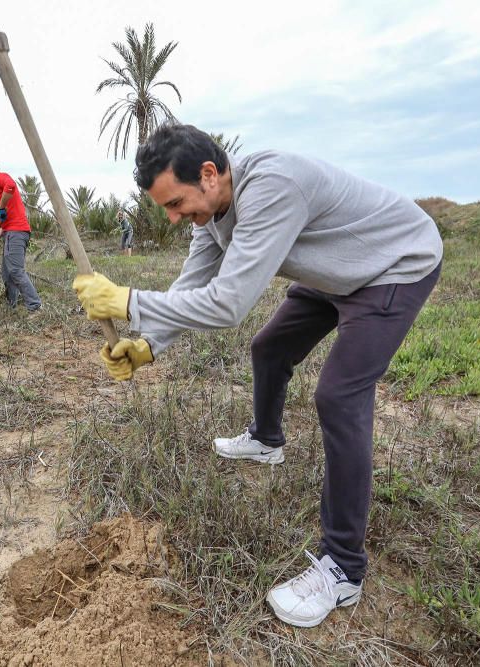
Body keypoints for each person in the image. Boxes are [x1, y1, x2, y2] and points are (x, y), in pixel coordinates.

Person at [72, 123, 442, 628]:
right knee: (270, 347)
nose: (177, 218)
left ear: (208, 174)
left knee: (338, 395)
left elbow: (228, 303)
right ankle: (267, 440)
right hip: (334, 273)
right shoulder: (212, 216)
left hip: (393, 265)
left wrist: (129, 300)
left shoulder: (271, 187)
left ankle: (343, 569)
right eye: (168, 210)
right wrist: (147, 346)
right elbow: (192, 287)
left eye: (176, 203)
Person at [0, 158, 42, 312]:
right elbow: (4, 223)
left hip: (16, 232)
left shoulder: (0, 178)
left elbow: (11, 185)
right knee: (7, 273)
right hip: (10, 231)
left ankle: (34, 305)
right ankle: (11, 306)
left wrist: (1, 207)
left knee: (15, 271)